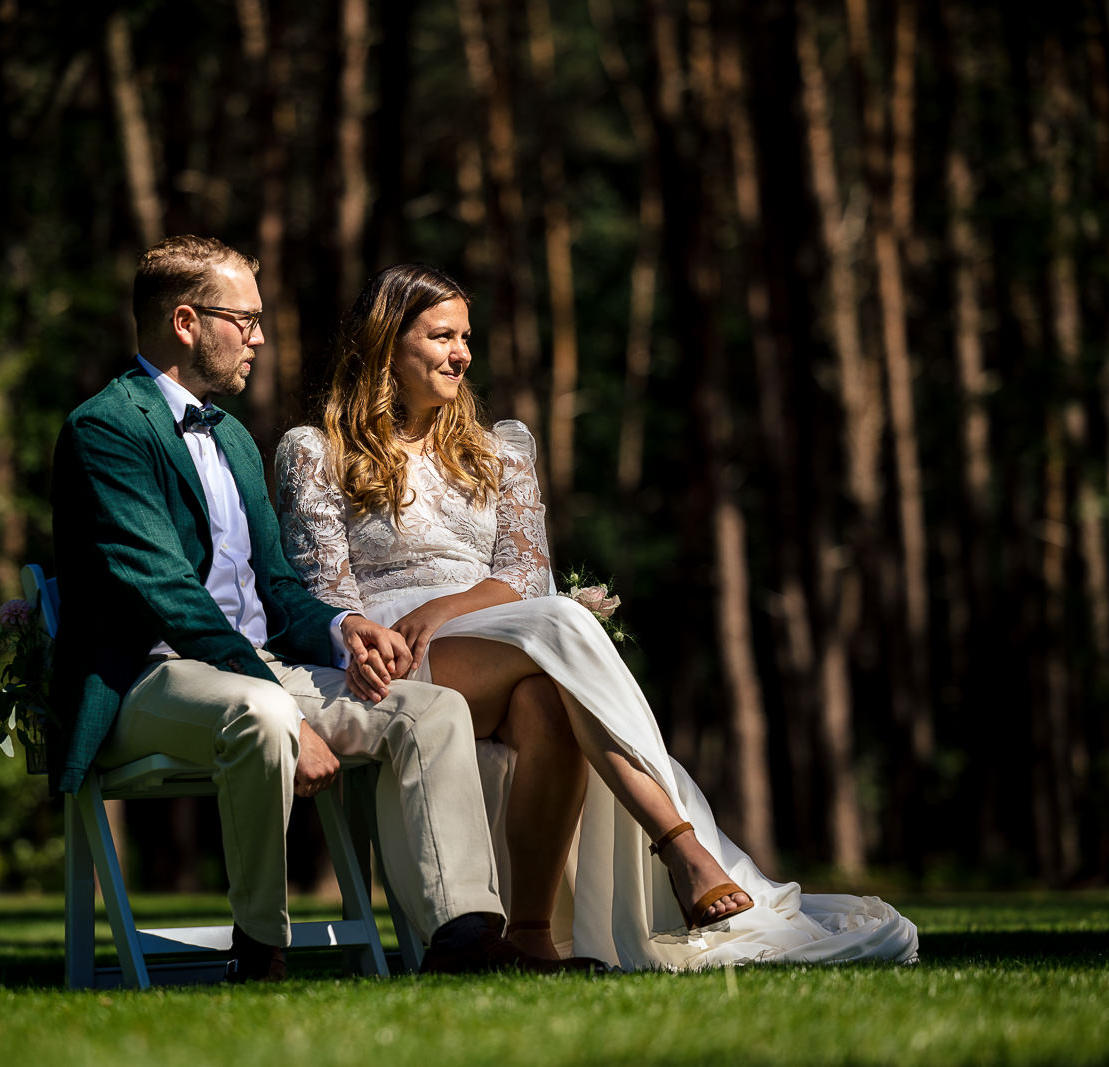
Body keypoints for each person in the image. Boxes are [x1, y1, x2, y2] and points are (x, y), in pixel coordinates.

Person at [274, 263, 919, 970]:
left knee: (549, 692)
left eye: (466, 336)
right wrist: (398, 628)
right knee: (559, 627)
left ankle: (528, 932)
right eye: (441, 336)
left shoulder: (500, 451)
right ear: (387, 344)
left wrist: (448, 606)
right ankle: (681, 844)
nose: (461, 351)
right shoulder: (316, 451)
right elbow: (323, 593)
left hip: (499, 632)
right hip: (396, 655)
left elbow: (522, 574)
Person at [49, 237, 604, 981]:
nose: (260, 337)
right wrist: (290, 704)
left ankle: (465, 936)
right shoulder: (106, 428)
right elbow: (171, 599)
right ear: (186, 322)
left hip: (257, 669)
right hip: (149, 680)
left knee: (429, 710)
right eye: (242, 319)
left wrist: (346, 629)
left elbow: (277, 587)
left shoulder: (236, 440)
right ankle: (260, 948)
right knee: (265, 713)